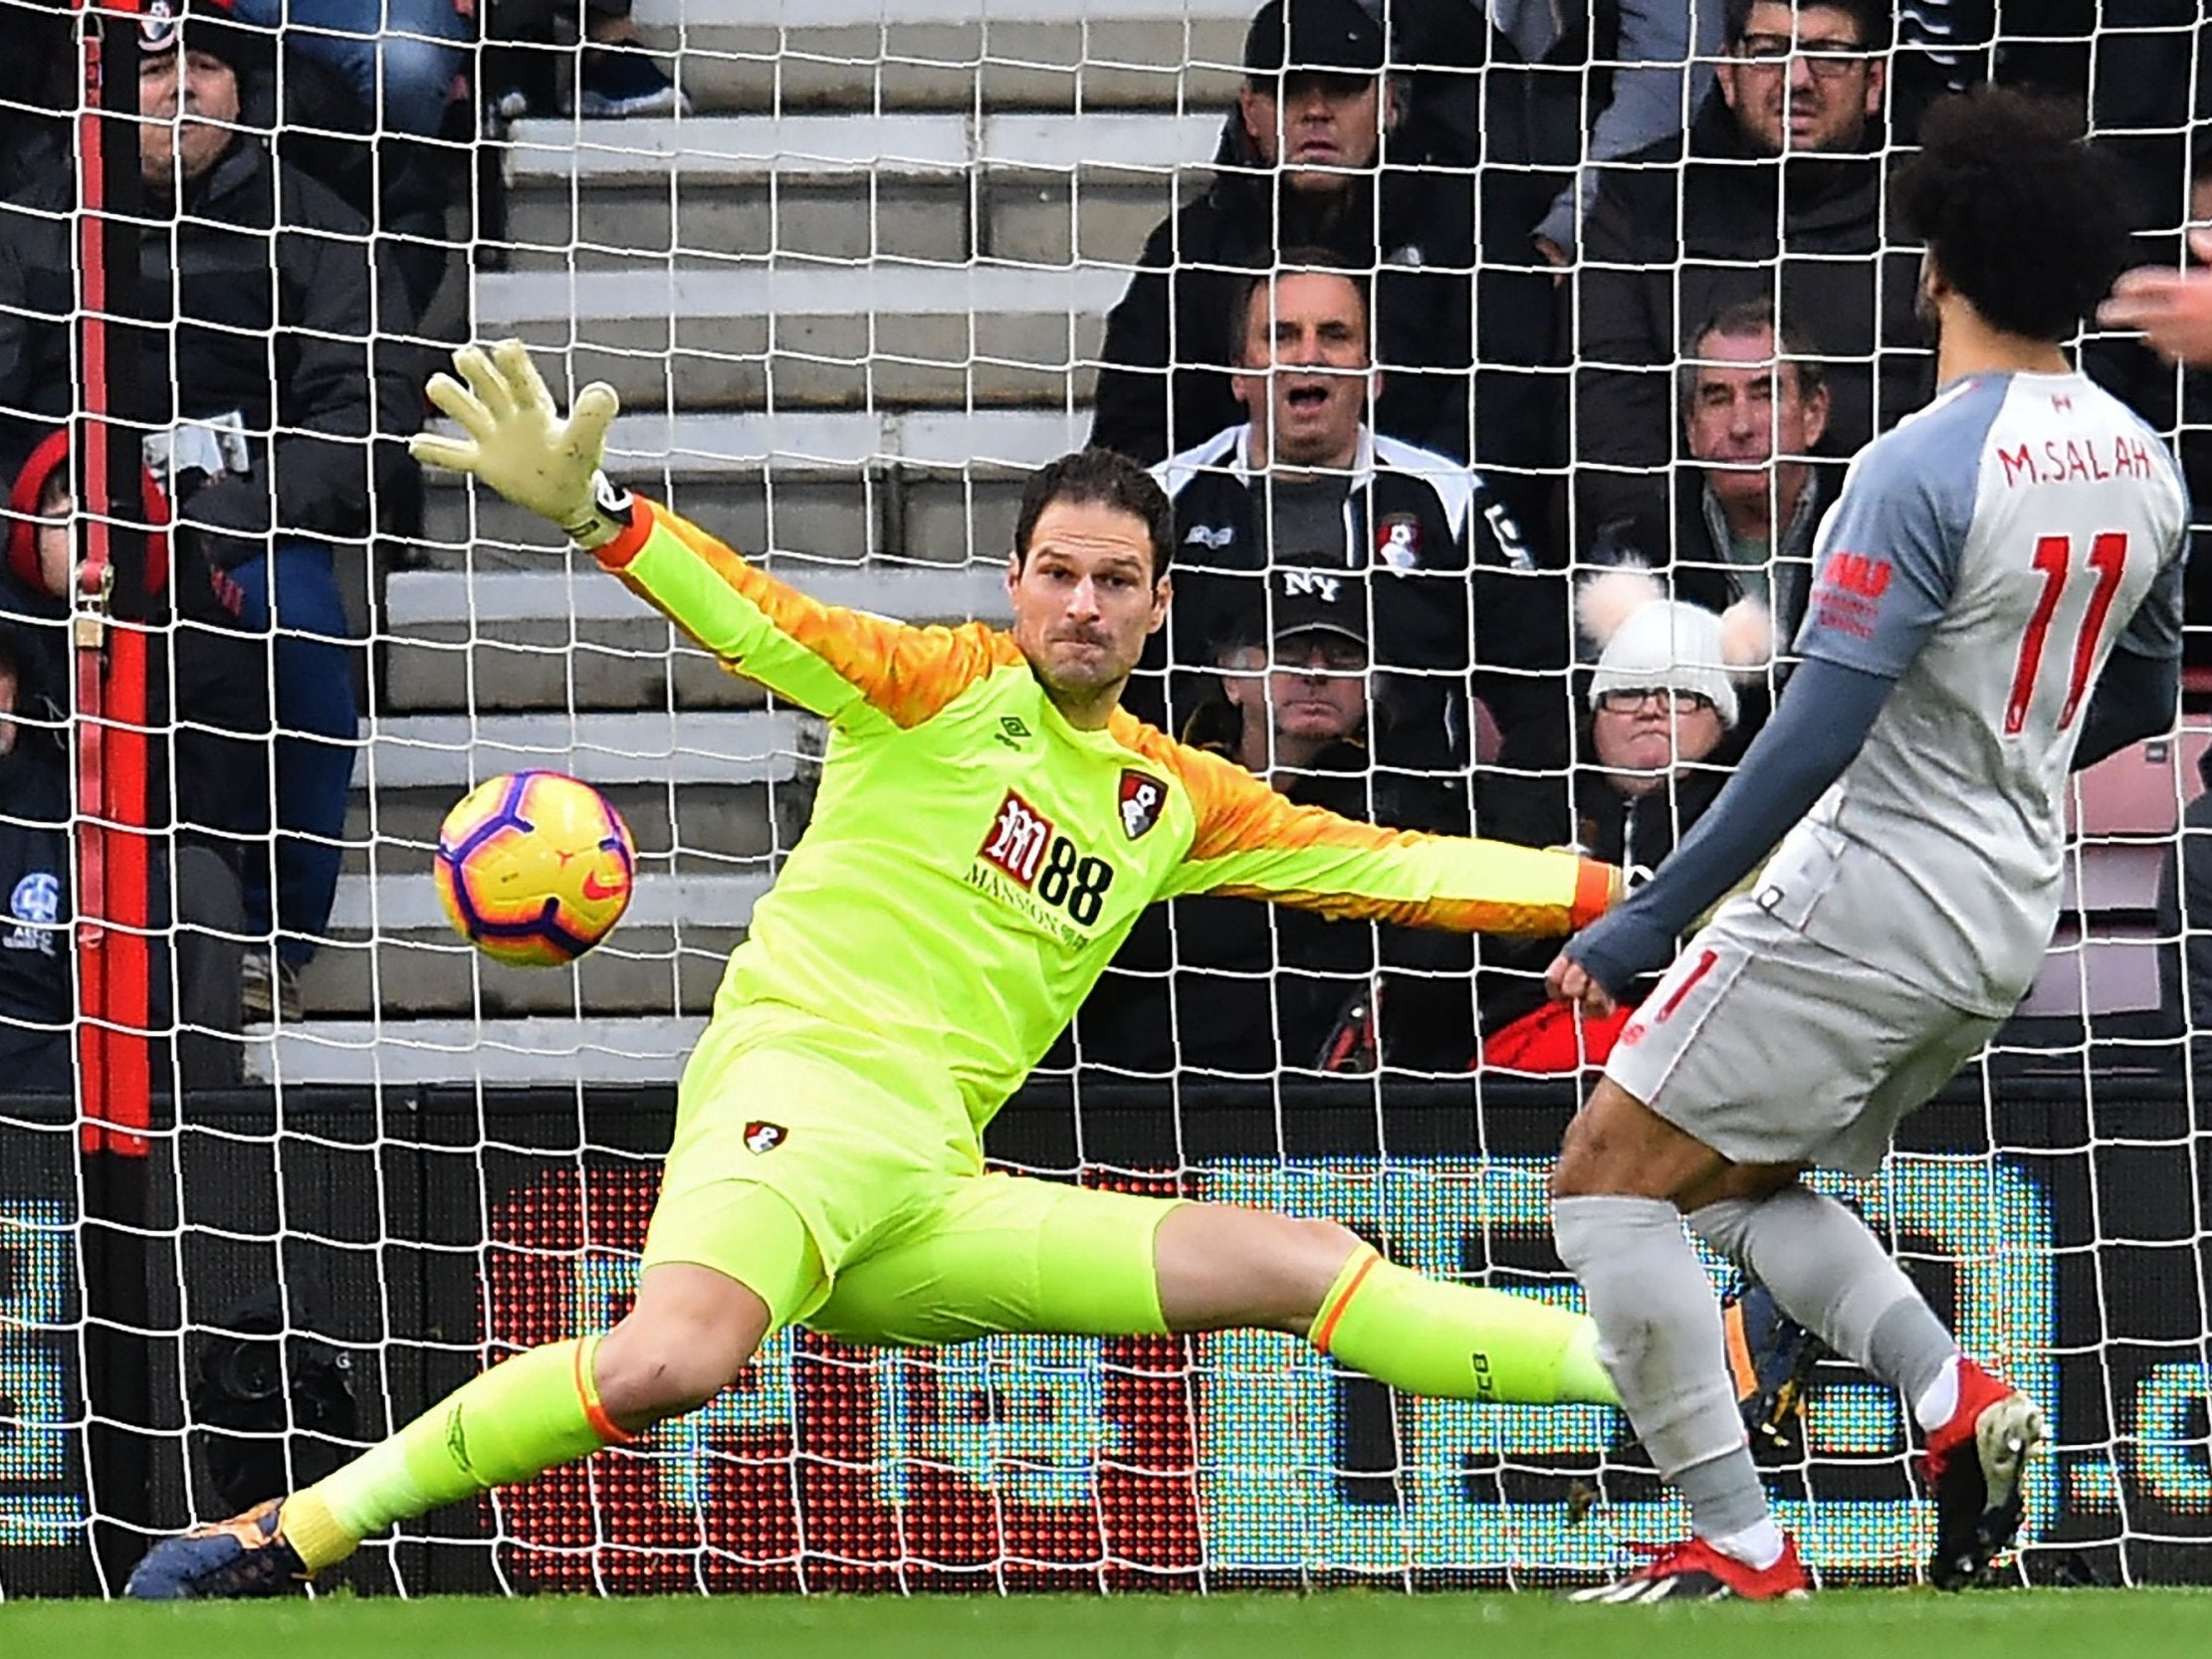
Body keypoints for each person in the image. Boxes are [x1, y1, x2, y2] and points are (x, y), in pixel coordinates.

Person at [124, 338, 1817, 1599]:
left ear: (1159, 608)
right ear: (1016, 586)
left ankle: (1691, 1363)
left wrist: (1646, 881)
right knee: (669, 1365)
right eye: (1058, 575)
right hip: (794, 1102)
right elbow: (758, 614)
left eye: (1116, 583)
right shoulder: (932, 686)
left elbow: (1398, 870)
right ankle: (288, 1531)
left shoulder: (1171, 793)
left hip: (926, 1178)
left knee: (1301, 1258)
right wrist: (604, 515)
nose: (1082, 605)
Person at [1541, 88, 2189, 1601]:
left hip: (1872, 888)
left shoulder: (1910, 466)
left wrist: (1652, 916)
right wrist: (1994, 760)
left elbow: (1814, 735)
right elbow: (2140, 693)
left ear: (1932, 265)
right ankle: (1950, 1394)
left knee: (1602, 1184)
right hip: (2004, 910)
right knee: (1735, 1183)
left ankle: (1739, 1543)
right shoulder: (2140, 459)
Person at [1089, 0, 1558, 510]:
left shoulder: (1471, 234)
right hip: (1229, 553)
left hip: (1425, 550)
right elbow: (1133, 435)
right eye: (1290, 91)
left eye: (1341, 87)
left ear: (1385, 102)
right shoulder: (1191, 250)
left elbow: (1507, 420)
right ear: (1251, 111)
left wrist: (1396, 517)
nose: (1316, 111)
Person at [1153, 259, 1568, 799]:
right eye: (1282, 335)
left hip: (1405, 845)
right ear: (1239, 372)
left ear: (1374, 373)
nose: (1308, 355)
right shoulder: (1162, 501)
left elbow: (1541, 690)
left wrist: (1500, 832)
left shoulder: (1451, 501)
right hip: (1202, 838)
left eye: (1335, 335)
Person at [1077, 565, 1475, 1075]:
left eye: (1343, 656)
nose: (1316, 673)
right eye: (1288, 654)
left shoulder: (1413, 815)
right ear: (1232, 677)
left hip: (1336, 1110)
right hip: (1147, 1095)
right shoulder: (1153, 794)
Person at [1567, 0, 1922, 539]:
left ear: (1875, 82)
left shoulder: (1932, 211)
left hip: (1895, 550)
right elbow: (1611, 424)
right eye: (1768, 53)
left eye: (1828, 56)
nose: (1798, 79)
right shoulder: (1640, 204)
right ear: (1727, 75)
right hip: (1687, 563)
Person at [1478, 574, 1765, 1066]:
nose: (1651, 710)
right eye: (1629, 692)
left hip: (1705, 1044)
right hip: (1538, 1039)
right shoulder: (1524, 795)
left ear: (1721, 719)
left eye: (1682, 695)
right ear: (1598, 711)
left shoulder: (1753, 816)